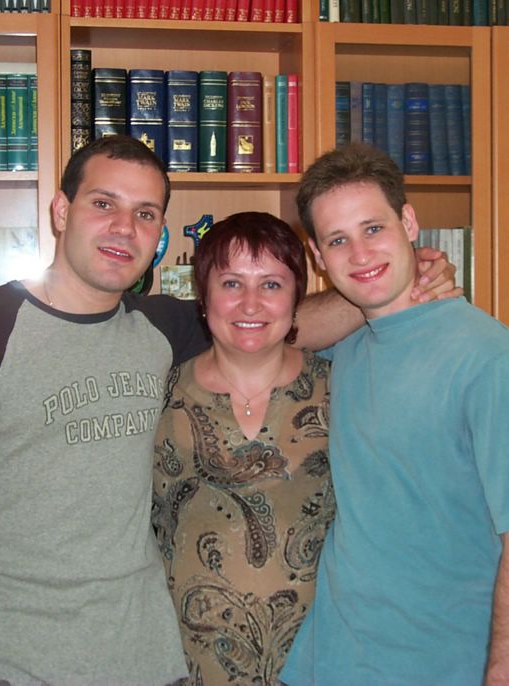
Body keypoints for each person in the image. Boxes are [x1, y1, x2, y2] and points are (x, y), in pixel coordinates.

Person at [0, 135, 456, 686]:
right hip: (9, 657)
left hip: (144, 656)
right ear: (61, 211)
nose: (123, 227)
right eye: (103, 204)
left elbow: (274, 320)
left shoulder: (160, 329)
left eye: (145, 213)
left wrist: (403, 276)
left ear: (160, 231)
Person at [278, 144, 509, 686]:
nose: (360, 253)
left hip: (440, 664)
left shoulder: (492, 361)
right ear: (317, 256)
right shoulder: (346, 349)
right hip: (330, 661)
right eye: (338, 240)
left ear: (408, 223)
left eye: (373, 228)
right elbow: (272, 328)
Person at [151, 212, 334, 684]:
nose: (250, 303)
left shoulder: (341, 390)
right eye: (232, 283)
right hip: (183, 664)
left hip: (321, 662)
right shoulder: (157, 395)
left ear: (297, 296)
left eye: (271, 284)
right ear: (204, 295)